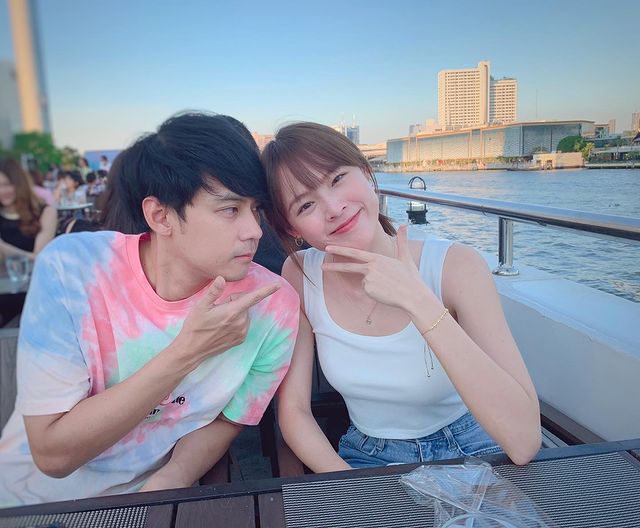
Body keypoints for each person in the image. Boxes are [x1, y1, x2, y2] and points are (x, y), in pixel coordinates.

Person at [0, 112, 299, 506]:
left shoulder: (273, 304)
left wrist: (176, 475)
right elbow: (53, 456)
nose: (255, 231)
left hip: (154, 501)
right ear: (160, 216)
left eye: (255, 209)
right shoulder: (75, 270)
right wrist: (187, 352)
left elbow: (229, 418)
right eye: (230, 209)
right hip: (31, 501)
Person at [261, 122, 541, 472]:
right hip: (369, 453)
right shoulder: (300, 274)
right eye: (305, 205)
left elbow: (524, 441)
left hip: (473, 442)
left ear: (366, 172)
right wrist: (355, 490)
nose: (333, 207)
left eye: (337, 179)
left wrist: (417, 300)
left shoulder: (456, 267)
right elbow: (294, 411)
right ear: (292, 228)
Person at [0, 159, 57, 258]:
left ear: (19, 183)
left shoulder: (46, 212)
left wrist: (3, 248)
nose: (2, 191)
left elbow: (39, 259)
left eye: (7, 184)